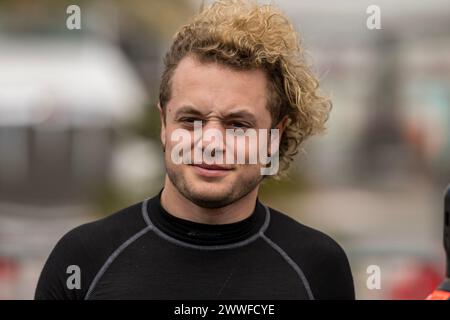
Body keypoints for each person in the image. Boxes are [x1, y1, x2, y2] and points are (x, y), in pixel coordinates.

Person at [35, 0, 354, 300]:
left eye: (237, 125)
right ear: (164, 124)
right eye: (190, 120)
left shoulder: (317, 266)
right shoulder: (83, 259)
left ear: (274, 136)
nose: (211, 143)